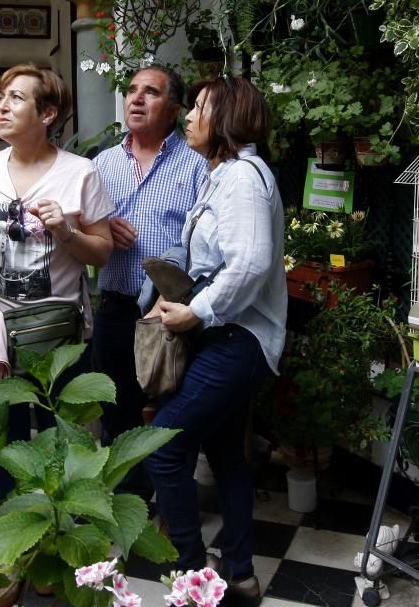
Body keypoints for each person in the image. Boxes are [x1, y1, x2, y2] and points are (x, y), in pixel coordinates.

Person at [143, 76, 286, 604]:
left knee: (164, 447)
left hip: (238, 339)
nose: (187, 115)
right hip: (222, 334)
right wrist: (171, 300)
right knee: (225, 456)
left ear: (224, 117)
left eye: (198, 107)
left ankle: (191, 574)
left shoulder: (244, 177)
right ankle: (241, 574)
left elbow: (250, 263)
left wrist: (197, 310)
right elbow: (214, 262)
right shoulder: (222, 175)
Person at [0, 64, 113, 477]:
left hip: (56, 336)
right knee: (5, 441)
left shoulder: (79, 173)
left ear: (48, 114)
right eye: (2, 97)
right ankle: (16, 529)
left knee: (63, 439)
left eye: (17, 98)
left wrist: (66, 232)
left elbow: (103, 252)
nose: (3, 107)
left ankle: (61, 522)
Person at [91, 66, 206, 501]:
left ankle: (173, 506)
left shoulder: (194, 165)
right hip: (117, 305)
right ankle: (127, 504)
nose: (136, 99)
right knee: (117, 412)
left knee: (171, 415)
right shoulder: (102, 163)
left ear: (174, 109)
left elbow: (203, 242)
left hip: (168, 313)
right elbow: (84, 227)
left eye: (151, 92)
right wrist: (100, 226)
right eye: (133, 91)